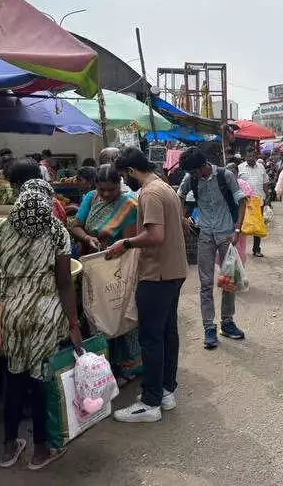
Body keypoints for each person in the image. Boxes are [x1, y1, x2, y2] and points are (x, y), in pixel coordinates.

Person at [0, 179, 81, 470]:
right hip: (46, 315)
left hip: (12, 315)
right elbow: (64, 282)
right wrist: (73, 324)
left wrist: (7, 275)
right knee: (40, 382)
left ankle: (9, 448)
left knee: (14, 378)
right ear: (48, 202)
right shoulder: (57, 230)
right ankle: (40, 451)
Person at [104, 147, 187, 423]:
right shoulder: (164, 187)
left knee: (151, 338)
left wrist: (125, 243)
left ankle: (150, 402)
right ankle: (166, 390)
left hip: (157, 274)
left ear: (130, 171)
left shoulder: (150, 193)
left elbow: (155, 235)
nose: (124, 182)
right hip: (173, 271)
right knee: (167, 333)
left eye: (123, 176)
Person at [177, 147, 247, 349]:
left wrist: (237, 229)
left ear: (203, 166)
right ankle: (209, 327)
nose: (192, 176)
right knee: (206, 284)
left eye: (193, 171)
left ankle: (227, 322)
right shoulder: (190, 178)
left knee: (228, 280)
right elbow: (178, 197)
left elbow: (242, 201)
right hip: (205, 235)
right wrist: (182, 219)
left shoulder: (225, 175)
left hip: (226, 234)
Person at [8, 158, 68, 225]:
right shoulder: (54, 201)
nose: (12, 188)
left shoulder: (24, 206)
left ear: (18, 183)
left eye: (13, 185)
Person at [238, 149, 270, 257]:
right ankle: (240, 249)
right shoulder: (240, 167)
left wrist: (267, 196)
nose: (250, 158)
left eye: (252, 156)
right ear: (245, 157)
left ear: (256, 157)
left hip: (258, 201)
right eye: (248, 156)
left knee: (258, 225)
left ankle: (256, 249)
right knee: (243, 224)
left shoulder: (261, 167)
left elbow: (265, 182)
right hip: (245, 202)